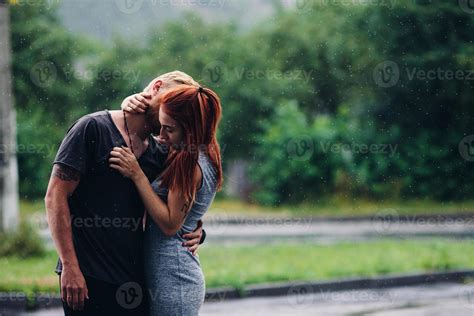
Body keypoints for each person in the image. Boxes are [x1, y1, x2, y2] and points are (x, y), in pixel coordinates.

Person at [44, 71, 206, 315]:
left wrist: (198, 229)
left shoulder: (160, 152)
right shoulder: (92, 128)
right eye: (169, 105)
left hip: (135, 279)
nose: (170, 115)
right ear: (156, 88)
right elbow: (55, 197)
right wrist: (69, 266)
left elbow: (174, 204)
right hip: (87, 276)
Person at [109, 84, 223, 315]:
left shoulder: (190, 164)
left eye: (169, 129)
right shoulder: (201, 148)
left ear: (190, 128)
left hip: (175, 280)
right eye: (161, 126)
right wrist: (129, 103)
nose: (161, 136)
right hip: (170, 273)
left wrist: (136, 174)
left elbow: (171, 224)